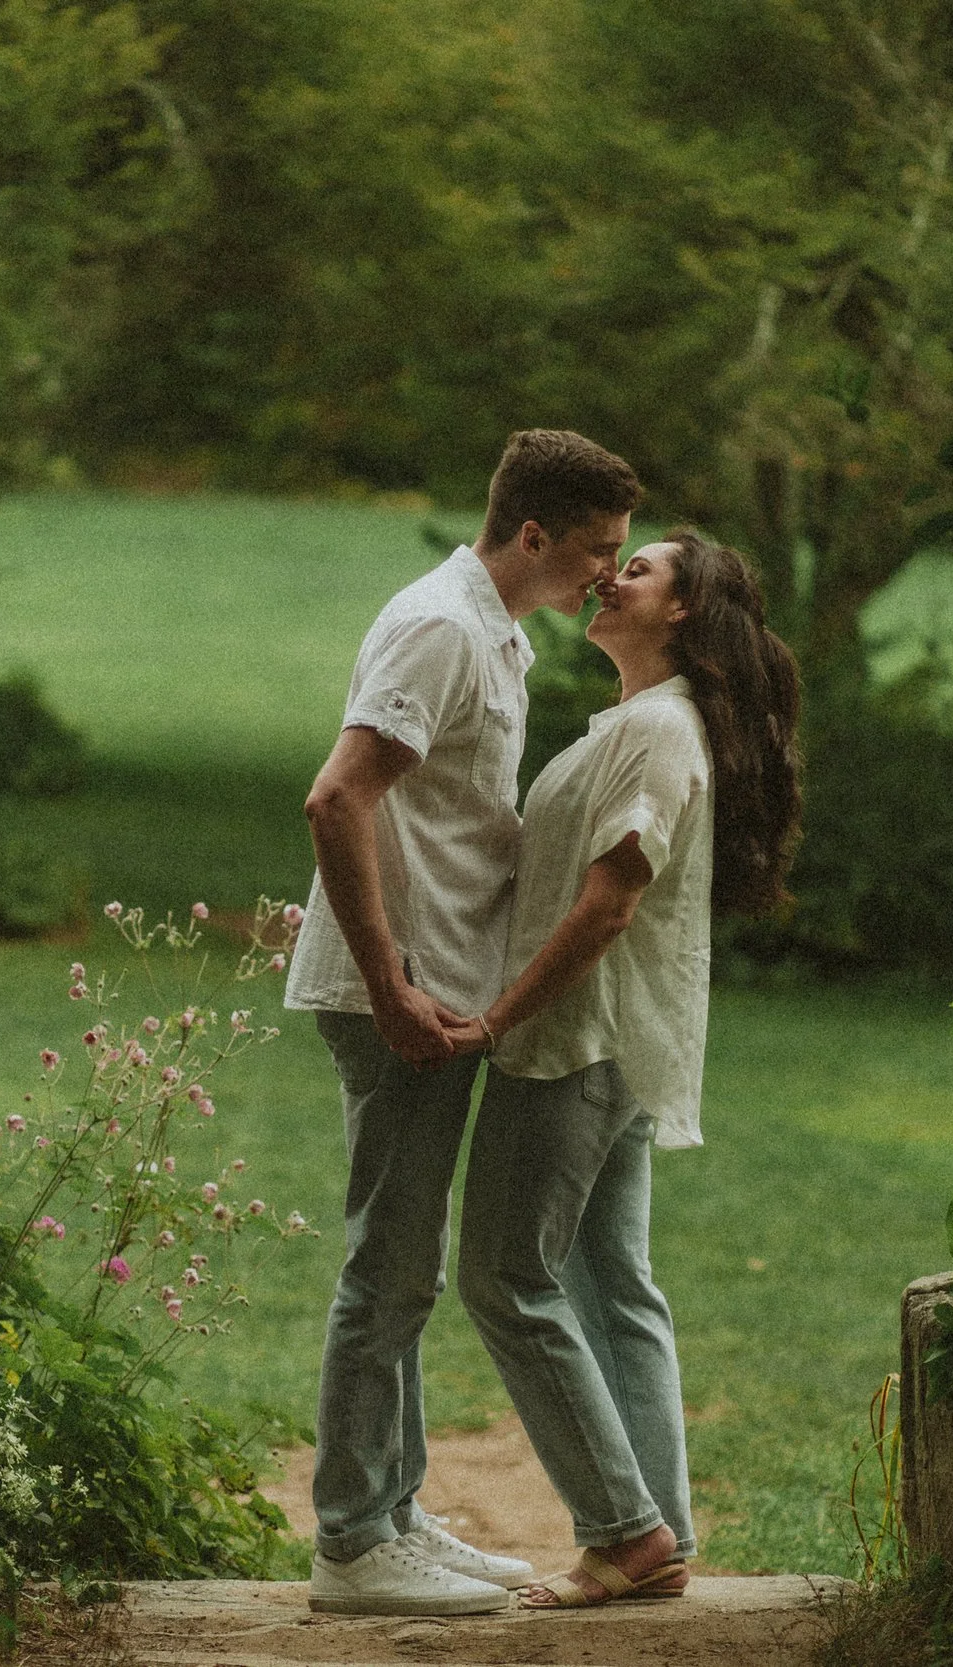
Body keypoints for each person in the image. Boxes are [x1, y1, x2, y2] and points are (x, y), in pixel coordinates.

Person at [284, 430, 643, 1617]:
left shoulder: (493, 632)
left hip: (434, 989)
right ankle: (352, 1541)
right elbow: (337, 797)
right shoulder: (440, 626)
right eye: (598, 548)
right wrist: (389, 982)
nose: (608, 572)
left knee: (408, 1265)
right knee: (388, 1266)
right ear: (532, 534)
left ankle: (392, 1512)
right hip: (400, 994)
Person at [448, 530, 803, 1610]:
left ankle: (624, 1530)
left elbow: (608, 905)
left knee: (503, 1275)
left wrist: (496, 1020)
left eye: (638, 568)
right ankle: (664, 1532)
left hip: (575, 1043)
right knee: (610, 1283)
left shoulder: (656, 731)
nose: (611, 574)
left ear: (683, 609)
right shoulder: (644, 721)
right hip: (613, 1043)